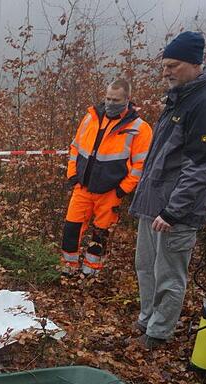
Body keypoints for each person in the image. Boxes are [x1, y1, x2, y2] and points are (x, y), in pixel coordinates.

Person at [129, 31, 206, 349]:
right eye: (164, 66)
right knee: (145, 268)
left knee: (168, 276)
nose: (166, 71)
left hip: (176, 212)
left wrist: (174, 210)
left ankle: (158, 335)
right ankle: (147, 321)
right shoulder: (179, 99)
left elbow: (201, 166)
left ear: (195, 64)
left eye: (173, 65)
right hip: (153, 204)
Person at [62, 79, 153, 276]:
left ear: (127, 99)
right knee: (71, 229)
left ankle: (91, 273)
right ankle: (68, 271)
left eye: (116, 99)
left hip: (111, 192)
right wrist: (72, 174)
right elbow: (75, 147)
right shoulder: (91, 117)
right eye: (108, 98)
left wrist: (123, 189)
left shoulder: (139, 128)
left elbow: (141, 165)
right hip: (82, 187)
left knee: (100, 235)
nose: (111, 103)